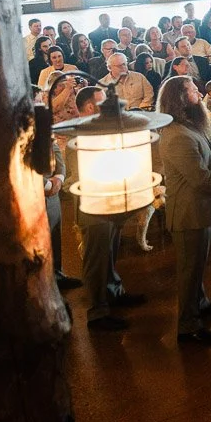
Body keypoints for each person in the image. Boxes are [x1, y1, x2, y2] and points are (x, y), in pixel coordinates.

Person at [158, 76, 211, 346]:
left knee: (198, 264)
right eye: (192, 90)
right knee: (189, 271)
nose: (199, 93)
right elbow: (200, 178)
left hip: (199, 208)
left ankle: (200, 303)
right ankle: (188, 328)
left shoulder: (187, 125)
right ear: (179, 97)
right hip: (188, 213)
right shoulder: (177, 135)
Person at [76, 87, 149, 332]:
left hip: (114, 203)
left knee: (110, 253)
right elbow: (73, 180)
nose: (110, 107)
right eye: (102, 103)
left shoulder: (107, 132)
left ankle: (115, 292)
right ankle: (98, 311)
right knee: (96, 259)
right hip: (94, 208)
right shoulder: (82, 138)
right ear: (88, 108)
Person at [44, 141, 82, 292]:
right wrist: (47, 185)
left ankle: (57, 275)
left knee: (54, 235)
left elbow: (54, 147)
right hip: (32, 193)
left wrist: (59, 178)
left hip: (52, 191)